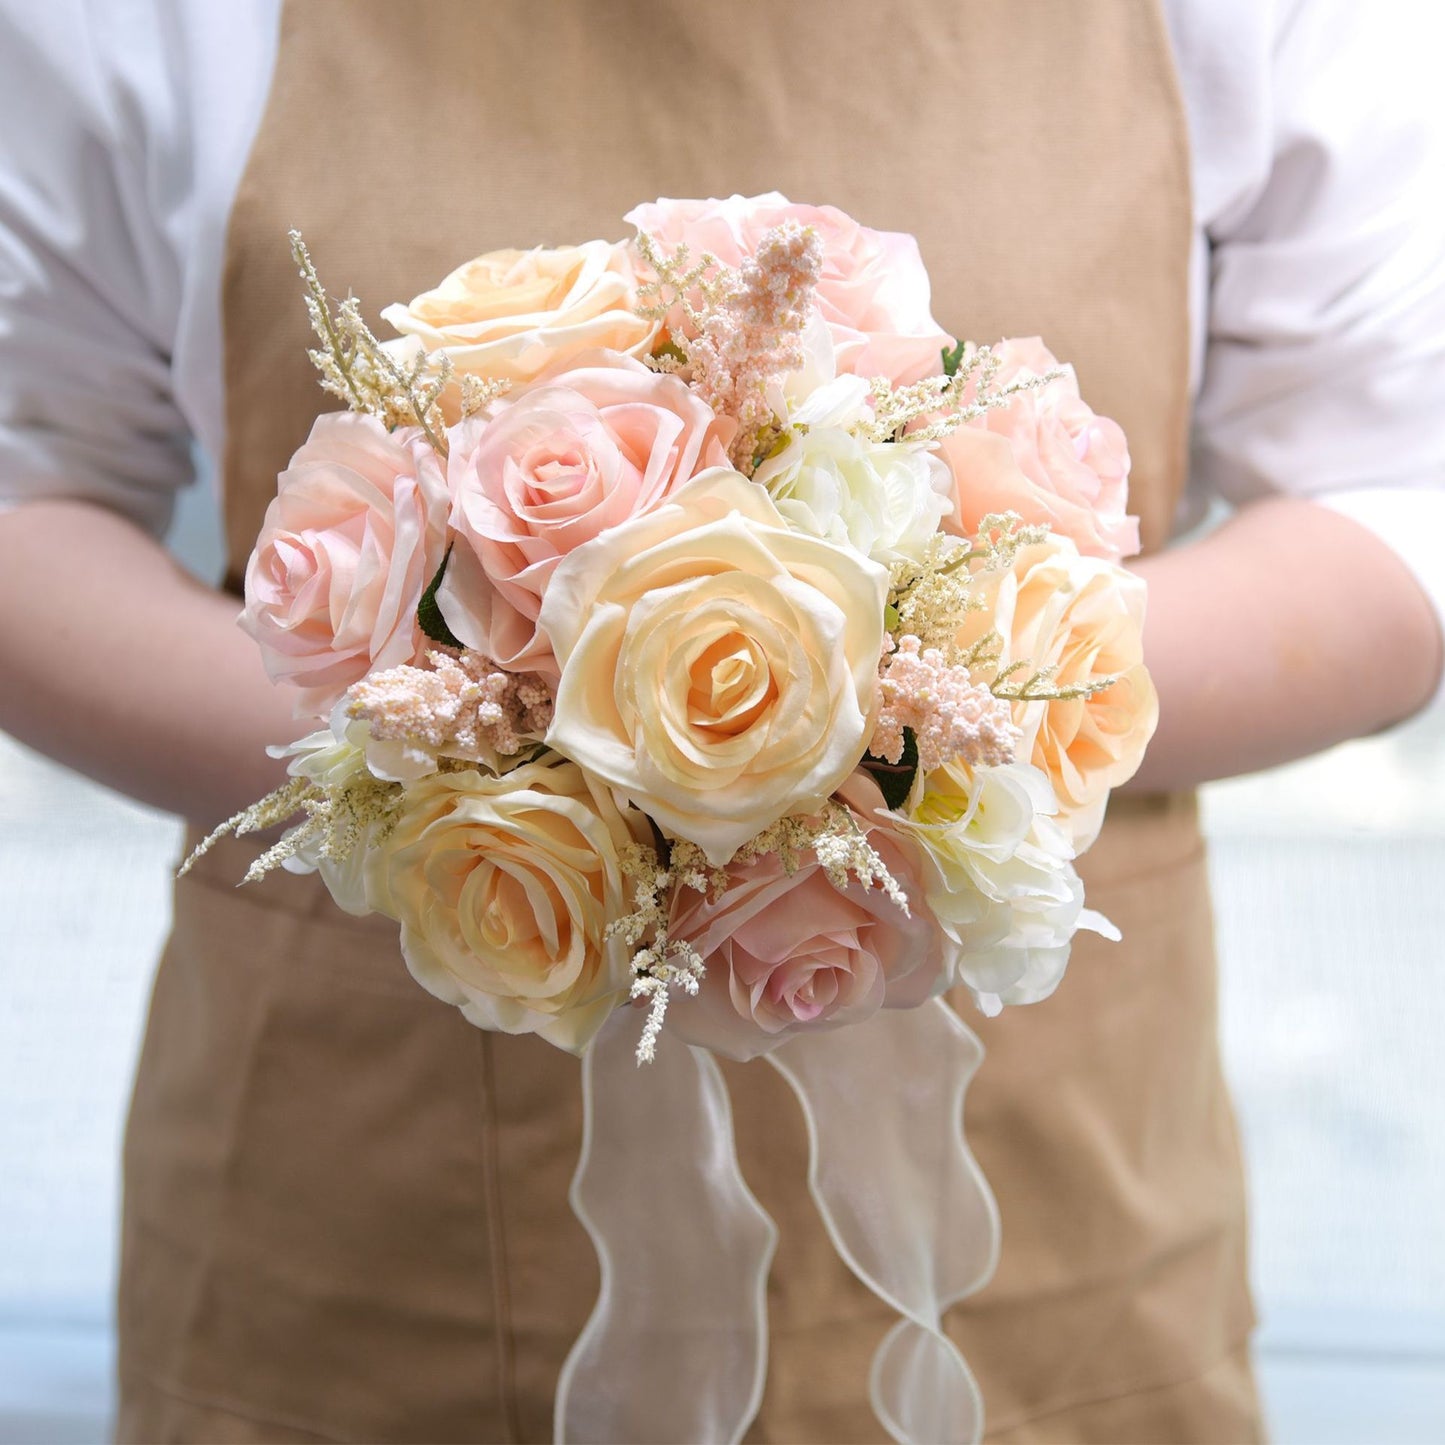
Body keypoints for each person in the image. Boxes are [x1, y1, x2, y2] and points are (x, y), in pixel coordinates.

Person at [0, 2, 1441, 1441]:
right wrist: (486, 747)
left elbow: (1395, 502)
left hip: (1056, 1252)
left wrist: (856, 717)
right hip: (366, 1249)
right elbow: (25, 488)